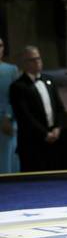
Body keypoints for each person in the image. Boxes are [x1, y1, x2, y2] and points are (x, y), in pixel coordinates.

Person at [9, 46, 65, 172]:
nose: (37, 62)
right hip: (32, 144)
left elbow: (60, 108)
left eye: (38, 58)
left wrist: (57, 128)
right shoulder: (17, 87)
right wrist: (45, 134)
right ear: (24, 64)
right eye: (32, 59)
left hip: (54, 141)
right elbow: (25, 116)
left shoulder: (49, 80)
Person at [0, 37, 20, 173]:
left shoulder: (11, 70)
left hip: (8, 123)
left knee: (8, 162)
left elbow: (15, 98)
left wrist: (7, 117)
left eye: (0, 45)